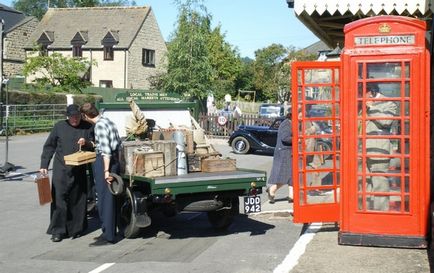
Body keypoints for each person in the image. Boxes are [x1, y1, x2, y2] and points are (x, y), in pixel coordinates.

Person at [40, 104, 94, 242]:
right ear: (67, 116)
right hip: (61, 169)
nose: (74, 119)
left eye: (77, 117)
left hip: (79, 168)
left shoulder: (87, 127)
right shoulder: (59, 126)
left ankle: (76, 229)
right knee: (59, 199)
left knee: (78, 199)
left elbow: (94, 144)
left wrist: (86, 142)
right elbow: (49, 146)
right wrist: (44, 165)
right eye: (72, 117)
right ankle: (58, 230)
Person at [80, 102, 122, 246]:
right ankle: (110, 230)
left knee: (105, 199)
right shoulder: (108, 121)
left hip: (106, 162)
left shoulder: (99, 126)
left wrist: (105, 171)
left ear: (85, 115)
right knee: (110, 198)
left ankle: (108, 235)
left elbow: (106, 151)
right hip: (115, 160)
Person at [364, 83, 397, 211]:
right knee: (363, 184)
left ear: (371, 92)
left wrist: (371, 107)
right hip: (360, 150)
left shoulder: (389, 103)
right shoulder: (360, 103)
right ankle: (365, 213)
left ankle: (381, 214)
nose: (360, 95)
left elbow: (386, 121)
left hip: (378, 149)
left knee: (380, 184)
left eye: (363, 92)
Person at [266, 112, 293, 203]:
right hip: (284, 152)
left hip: (289, 152)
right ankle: (272, 190)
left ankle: (291, 195)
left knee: (292, 175)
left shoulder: (291, 123)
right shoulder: (286, 124)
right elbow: (285, 138)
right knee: (284, 176)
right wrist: (298, 138)